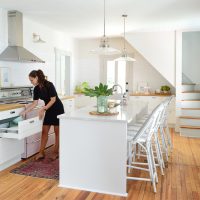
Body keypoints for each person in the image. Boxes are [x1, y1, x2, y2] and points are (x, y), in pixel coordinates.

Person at [21, 69, 64, 160]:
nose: (31, 82)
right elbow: (34, 103)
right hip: (48, 110)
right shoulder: (36, 89)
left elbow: (53, 100)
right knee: (44, 132)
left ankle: (55, 152)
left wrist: (43, 109)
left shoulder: (49, 84)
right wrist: (25, 111)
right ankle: (41, 153)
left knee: (57, 132)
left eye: (32, 80)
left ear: (36, 78)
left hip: (57, 109)